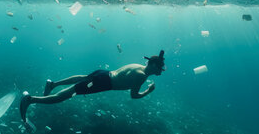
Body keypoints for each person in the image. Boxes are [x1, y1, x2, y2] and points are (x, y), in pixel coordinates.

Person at [19, 50, 165, 127]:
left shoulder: (137, 66)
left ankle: (53, 84)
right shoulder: (142, 76)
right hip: (103, 83)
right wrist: (148, 91)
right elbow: (133, 96)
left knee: (81, 78)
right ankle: (30, 99)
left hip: (103, 74)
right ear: (152, 65)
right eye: (160, 68)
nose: (161, 71)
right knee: (65, 95)